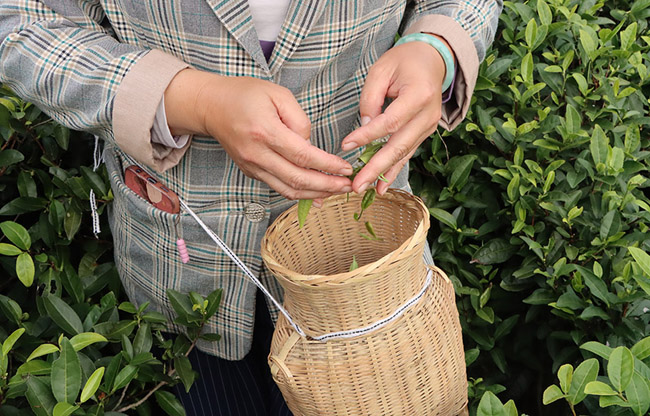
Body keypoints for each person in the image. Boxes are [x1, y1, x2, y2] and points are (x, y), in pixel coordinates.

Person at [0, 1, 501, 414]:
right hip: (181, 270)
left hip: (362, 271)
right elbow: (23, 19)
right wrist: (193, 99)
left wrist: (435, 49)